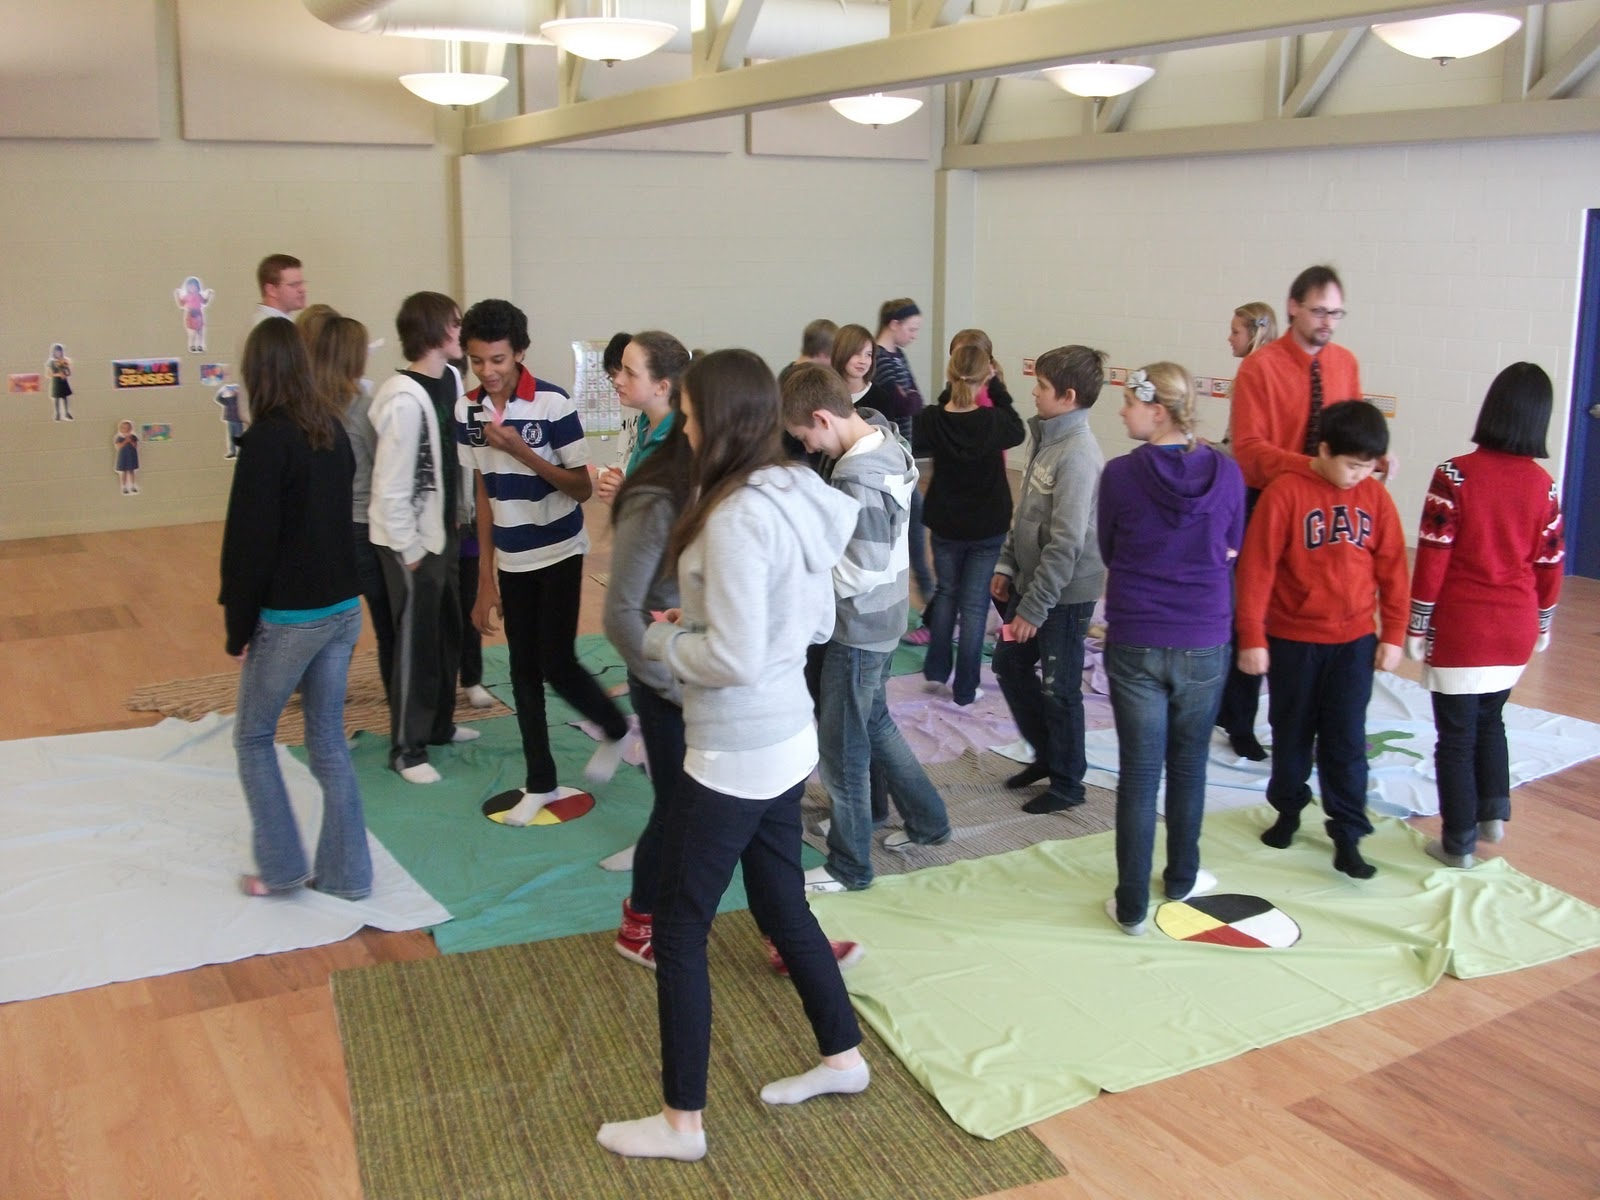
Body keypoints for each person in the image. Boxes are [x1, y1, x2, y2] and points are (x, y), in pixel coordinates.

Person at [598, 349, 867, 1164]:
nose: (679, 429)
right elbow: (811, 621)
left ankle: (682, 1123)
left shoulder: (738, 514)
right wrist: (713, 621)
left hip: (740, 744)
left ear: (718, 420)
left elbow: (740, 657)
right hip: (785, 736)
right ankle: (843, 1056)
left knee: (680, 929)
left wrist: (664, 637)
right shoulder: (795, 491)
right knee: (782, 901)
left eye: (686, 417)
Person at [457, 298, 630, 823]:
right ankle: (541, 782)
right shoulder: (466, 410)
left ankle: (617, 728)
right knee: (521, 669)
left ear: (521, 355)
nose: (488, 372)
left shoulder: (553, 405)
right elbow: (484, 493)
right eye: (478, 361)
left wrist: (521, 452)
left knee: (555, 662)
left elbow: (580, 488)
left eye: (499, 360)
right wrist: (485, 578)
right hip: (510, 558)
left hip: (557, 550)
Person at [782, 363, 952, 894]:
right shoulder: (881, 436)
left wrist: (804, 561)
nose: (808, 448)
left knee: (842, 752)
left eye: (805, 437)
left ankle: (851, 866)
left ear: (821, 418)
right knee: (875, 723)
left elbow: (864, 566)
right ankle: (930, 821)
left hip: (860, 627)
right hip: (881, 616)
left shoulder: (858, 474)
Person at [218, 318, 370, 901]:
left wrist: (238, 631)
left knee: (254, 737)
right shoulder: (329, 430)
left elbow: (247, 546)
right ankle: (349, 875)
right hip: (341, 608)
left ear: (258, 373)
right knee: (327, 740)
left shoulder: (264, 443)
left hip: (293, 618)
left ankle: (281, 867)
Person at [1098, 364, 1245, 935]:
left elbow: (1111, 548)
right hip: (1204, 637)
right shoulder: (1228, 475)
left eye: (1129, 404)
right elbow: (1231, 546)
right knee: (1188, 766)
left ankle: (1131, 906)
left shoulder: (1119, 476)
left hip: (1137, 636)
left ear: (1157, 410)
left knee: (1139, 774)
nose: (1121, 412)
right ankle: (1181, 878)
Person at [1236, 400, 1409, 880]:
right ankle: (1288, 809)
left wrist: (1393, 633)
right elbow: (1256, 570)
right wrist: (1252, 636)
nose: (1359, 475)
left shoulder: (1375, 499)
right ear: (1325, 450)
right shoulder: (1286, 493)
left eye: (1368, 467)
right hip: (1294, 640)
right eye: (1352, 465)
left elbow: (1393, 569)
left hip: (1354, 642)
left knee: (1346, 740)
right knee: (1291, 731)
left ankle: (1348, 833)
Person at [1407, 363, 1564, 869]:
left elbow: (1433, 556)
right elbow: (1551, 563)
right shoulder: (1546, 487)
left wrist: (1417, 623)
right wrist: (1543, 621)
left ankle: (1457, 843)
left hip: (1463, 628)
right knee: (1491, 718)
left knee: (1455, 737)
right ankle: (1492, 813)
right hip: (1515, 627)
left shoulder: (1454, 475)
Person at [991, 345, 1108, 814]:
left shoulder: (1078, 455)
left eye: (1041, 387)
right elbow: (1025, 516)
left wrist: (1032, 609)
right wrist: (1005, 566)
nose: (1033, 393)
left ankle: (1068, 782)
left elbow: (1067, 543)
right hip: (1033, 580)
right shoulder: (1046, 438)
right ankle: (1047, 755)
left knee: (1059, 688)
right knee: (1009, 665)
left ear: (1068, 396)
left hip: (1064, 591)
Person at [367, 292, 478, 784]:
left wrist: (460, 513)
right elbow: (391, 484)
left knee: (447, 630)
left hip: (444, 533)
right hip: (409, 544)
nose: (462, 332)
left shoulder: (450, 379)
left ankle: (438, 725)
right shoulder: (401, 397)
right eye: (456, 324)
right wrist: (407, 548)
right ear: (435, 332)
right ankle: (406, 749)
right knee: (415, 641)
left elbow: (453, 459)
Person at [914, 340, 1025, 706]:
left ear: (950, 375)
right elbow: (1018, 430)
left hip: (946, 523)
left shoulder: (931, 419)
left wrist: (954, 387)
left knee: (947, 593)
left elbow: (933, 426)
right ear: (986, 377)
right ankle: (965, 688)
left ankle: (936, 670)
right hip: (985, 526)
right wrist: (998, 388)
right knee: (975, 604)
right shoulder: (994, 421)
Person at [311, 315, 393, 704]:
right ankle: (402, 708)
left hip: (326, 528)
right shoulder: (362, 407)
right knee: (389, 623)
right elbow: (384, 468)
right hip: (363, 528)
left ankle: (322, 702)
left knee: (330, 626)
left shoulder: (308, 408)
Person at [1214, 299, 1280, 758]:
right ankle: (1236, 714)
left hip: (1262, 497)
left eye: (1234, 331)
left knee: (1250, 610)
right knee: (1247, 609)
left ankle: (1239, 716)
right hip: (1256, 494)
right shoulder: (1257, 373)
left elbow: (1246, 447)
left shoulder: (1257, 374)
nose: (1229, 339)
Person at [874, 298, 935, 611]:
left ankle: (928, 605)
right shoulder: (879, 359)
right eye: (911, 329)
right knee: (909, 535)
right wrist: (905, 399)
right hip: (892, 459)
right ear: (893, 324)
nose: (914, 335)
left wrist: (905, 399)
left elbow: (915, 402)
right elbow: (903, 405)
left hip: (906, 458)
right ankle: (927, 606)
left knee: (916, 533)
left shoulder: (898, 356)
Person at [596, 331, 691, 504]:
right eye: (620, 369)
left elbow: (665, 519)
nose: (618, 380)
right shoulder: (645, 424)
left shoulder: (680, 441)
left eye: (630, 373)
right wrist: (622, 493)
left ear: (661, 387)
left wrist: (625, 499)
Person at [254, 254, 307, 323]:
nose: (302, 290)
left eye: (301, 283)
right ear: (271, 290)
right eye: (294, 285)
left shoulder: (281, 323)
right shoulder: (267, 328)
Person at [175, 276, 214, 353]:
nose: (192, 288)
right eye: (190, 286)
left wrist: (209, 294)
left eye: (194, 286)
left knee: (200, 332)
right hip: (190, 314)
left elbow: (204, 302)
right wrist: (177, 295)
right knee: (192, 333)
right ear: (187, 288)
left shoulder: (199, 295)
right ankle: (192, 346)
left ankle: (199, 346)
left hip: (198, 314)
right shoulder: (187, 296)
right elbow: (181, 304)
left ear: (197, 287)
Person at [47, 343, 73, 421]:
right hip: (56, 383)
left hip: (63, 382)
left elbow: (69, 372)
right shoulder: (51, 362)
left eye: (60, 352)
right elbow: (49, 374)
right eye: (57, 352)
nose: (58, 353)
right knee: (57, 399)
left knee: (65, 398)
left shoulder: (64, 361)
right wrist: (58, 374)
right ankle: (58, 413)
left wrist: (65, 371)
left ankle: (66, 412)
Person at [114, 421, 140, 495]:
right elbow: (119, 446)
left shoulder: (133, 436)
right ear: (121, 429)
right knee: (124, 472)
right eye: (124, 428)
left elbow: (135, 446)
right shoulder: (119, 437)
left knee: (131, 471)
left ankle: (132, 485)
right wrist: (126, 441)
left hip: (131, 456)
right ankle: (124, 487)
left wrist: (130, 440)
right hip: (123, 456)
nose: (126, 429)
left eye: (128, 428)